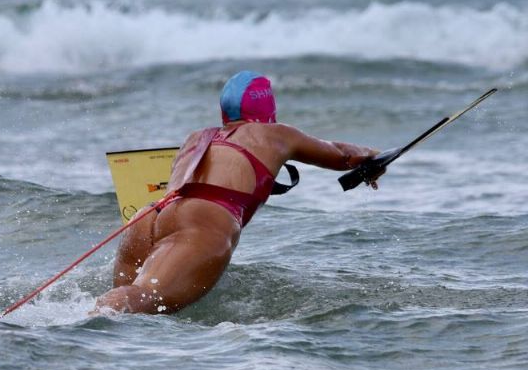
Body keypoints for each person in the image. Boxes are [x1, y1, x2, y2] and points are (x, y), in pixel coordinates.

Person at [89, 70, 382, 315]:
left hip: (149, 217)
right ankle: (74, 328)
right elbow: (343, 155)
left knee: (126, 314)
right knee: (139, 302)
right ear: (269, 109)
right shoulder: (277, 134)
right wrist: (373, 156)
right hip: (203, 220)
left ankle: (87, 317)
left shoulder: (197, 137)